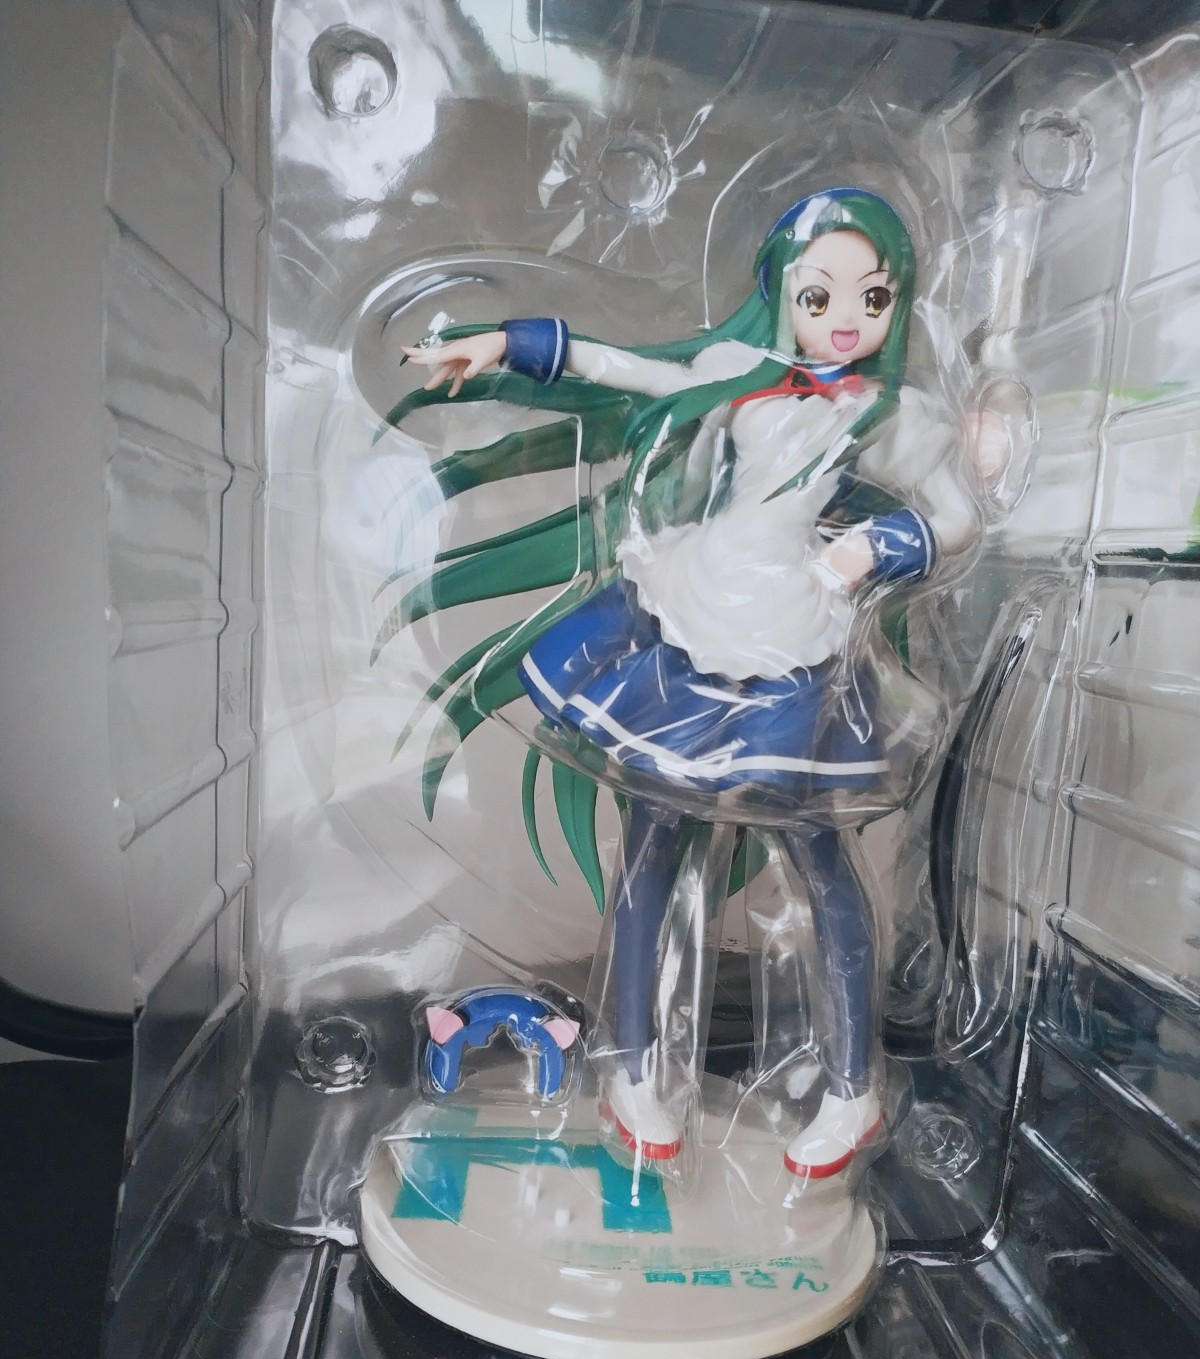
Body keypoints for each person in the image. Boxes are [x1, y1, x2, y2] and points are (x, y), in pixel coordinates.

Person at [388, 187, 982, 1179]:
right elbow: (628, 367)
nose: (845, 319)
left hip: (794, 635)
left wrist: (880, 544)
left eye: (873, 298)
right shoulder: (737, 374)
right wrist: (505, 345)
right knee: (654, 839)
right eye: (820, 295)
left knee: (819, 853)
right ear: (781, 292)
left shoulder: (892, 413)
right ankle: (633, 1067)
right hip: (694, 609)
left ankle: (853, 1086)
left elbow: (955, 517)